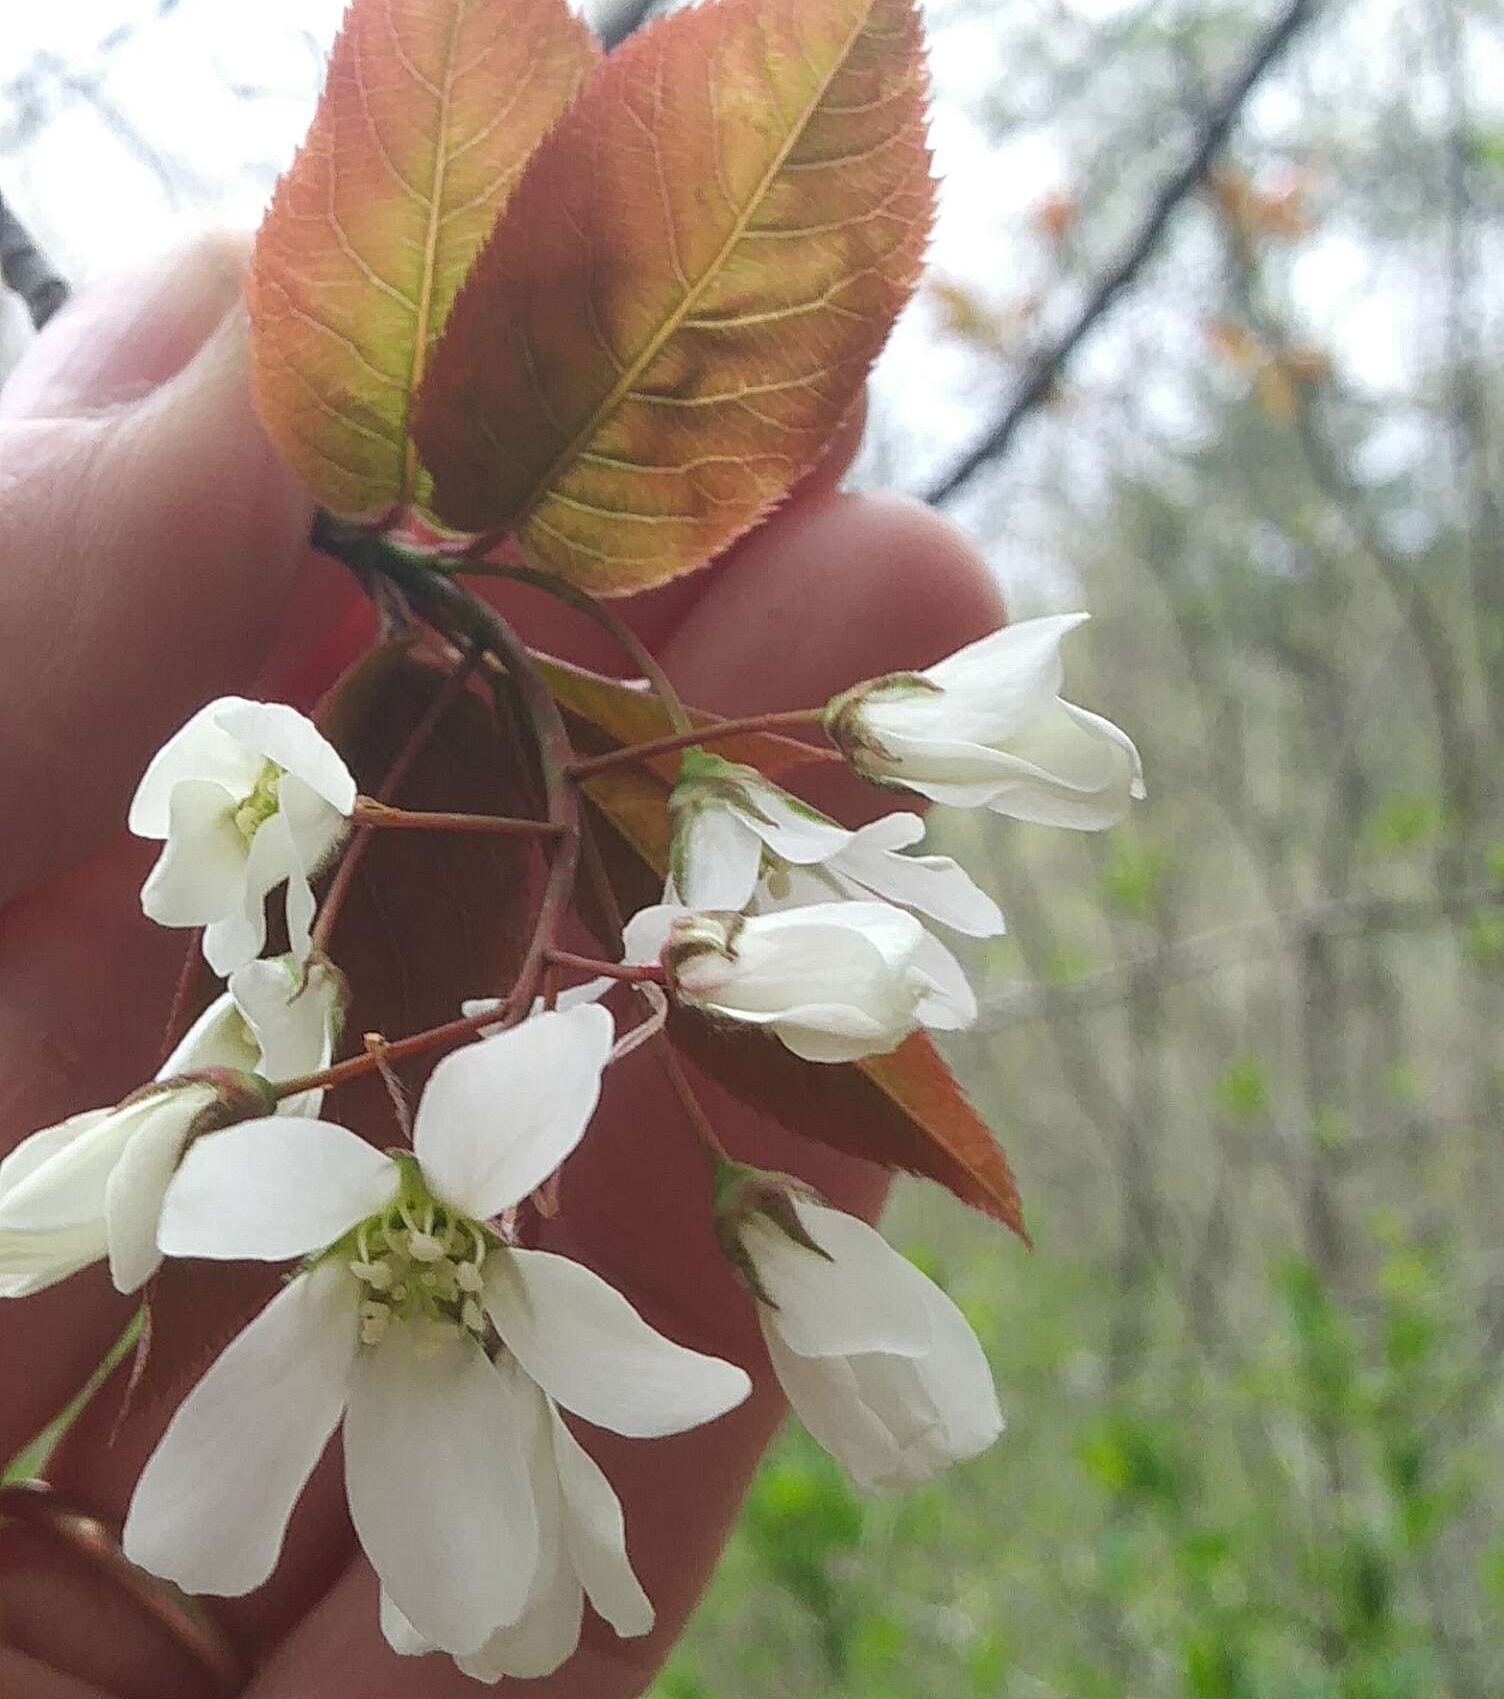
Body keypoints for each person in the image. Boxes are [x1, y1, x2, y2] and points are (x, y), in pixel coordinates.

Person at [0, 236, 1004, 1697]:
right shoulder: (425, 1103)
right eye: (439, 1259)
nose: (420, 1264)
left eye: (419, 1258)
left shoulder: (447, 1114)